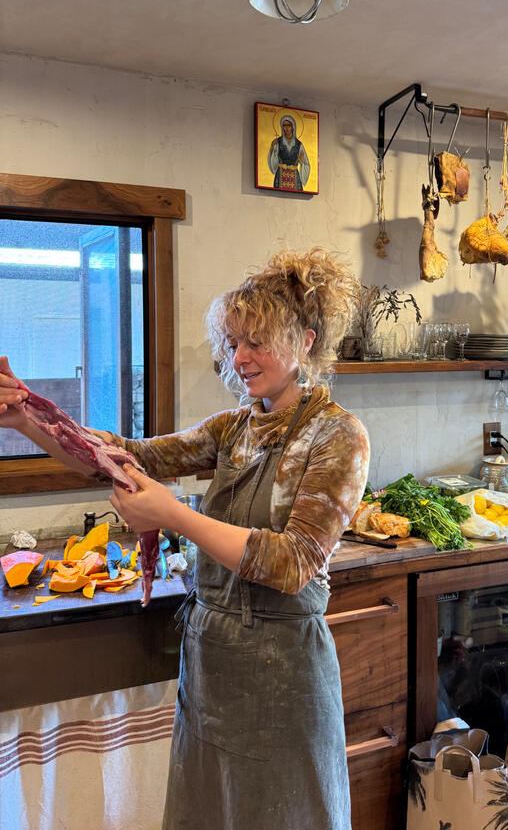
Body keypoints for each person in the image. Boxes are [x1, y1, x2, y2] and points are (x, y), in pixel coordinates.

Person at [0, 247, 370, 830]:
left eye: (257, 341)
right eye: (234, 342)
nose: (240, 358)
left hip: (282, 670)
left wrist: (173, 514)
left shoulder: (338, 436)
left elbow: (293, 562)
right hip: (213, 659)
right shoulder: (234, 427)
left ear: (305, 338)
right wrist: (29, 418)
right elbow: (122, 456)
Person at [268, 114, 311, 190]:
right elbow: (273, 162)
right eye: (284, 126)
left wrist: (301, 163)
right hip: (280, 175)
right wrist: (272, 148)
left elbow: (306, 164)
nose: (286, 128)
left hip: (294, 177)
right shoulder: (278, 142)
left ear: (293, 127)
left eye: (289, 125)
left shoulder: (299, 145)